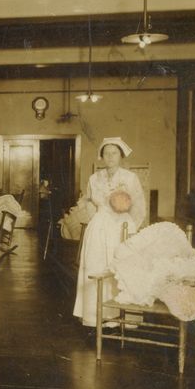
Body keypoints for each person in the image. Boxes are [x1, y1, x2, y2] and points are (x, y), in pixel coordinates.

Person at [73, 137, 146, 327]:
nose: (110, 157)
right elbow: (88, 201)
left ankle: (122, 319)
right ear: (102, 156)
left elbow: (138, 207)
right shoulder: (94, 178)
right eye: (106, 153)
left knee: (121, 268)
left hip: (122, 228)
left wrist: (131, 230)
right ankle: (95, 316)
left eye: (114, 153)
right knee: (97, 266)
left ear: (121, 156)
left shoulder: (130, 178)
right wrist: (90, 211)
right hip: (99, 227)